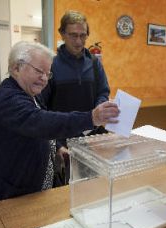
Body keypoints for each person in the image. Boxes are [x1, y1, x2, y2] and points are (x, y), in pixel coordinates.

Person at [0, 41, 120, 205]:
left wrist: (57, 146)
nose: (44, 79)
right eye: (39, 71)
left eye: (48, 73)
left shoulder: (30, 94)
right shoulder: (7, 100)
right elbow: (41, 122)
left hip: (20, 192)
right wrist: (91, 118)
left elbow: (35, 128)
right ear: (16, 67)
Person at [40, 10, 110, 181]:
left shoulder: (94, 64)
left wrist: (101, 108)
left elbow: (103, 92)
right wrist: (55, 145)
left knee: (92, 187)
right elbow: (41, 108)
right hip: (62, 143)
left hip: (91, 140)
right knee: (64, 193)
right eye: (73, 35)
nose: (79, 42)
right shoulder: (51, 65)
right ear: (62, 34)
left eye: (83, 36)